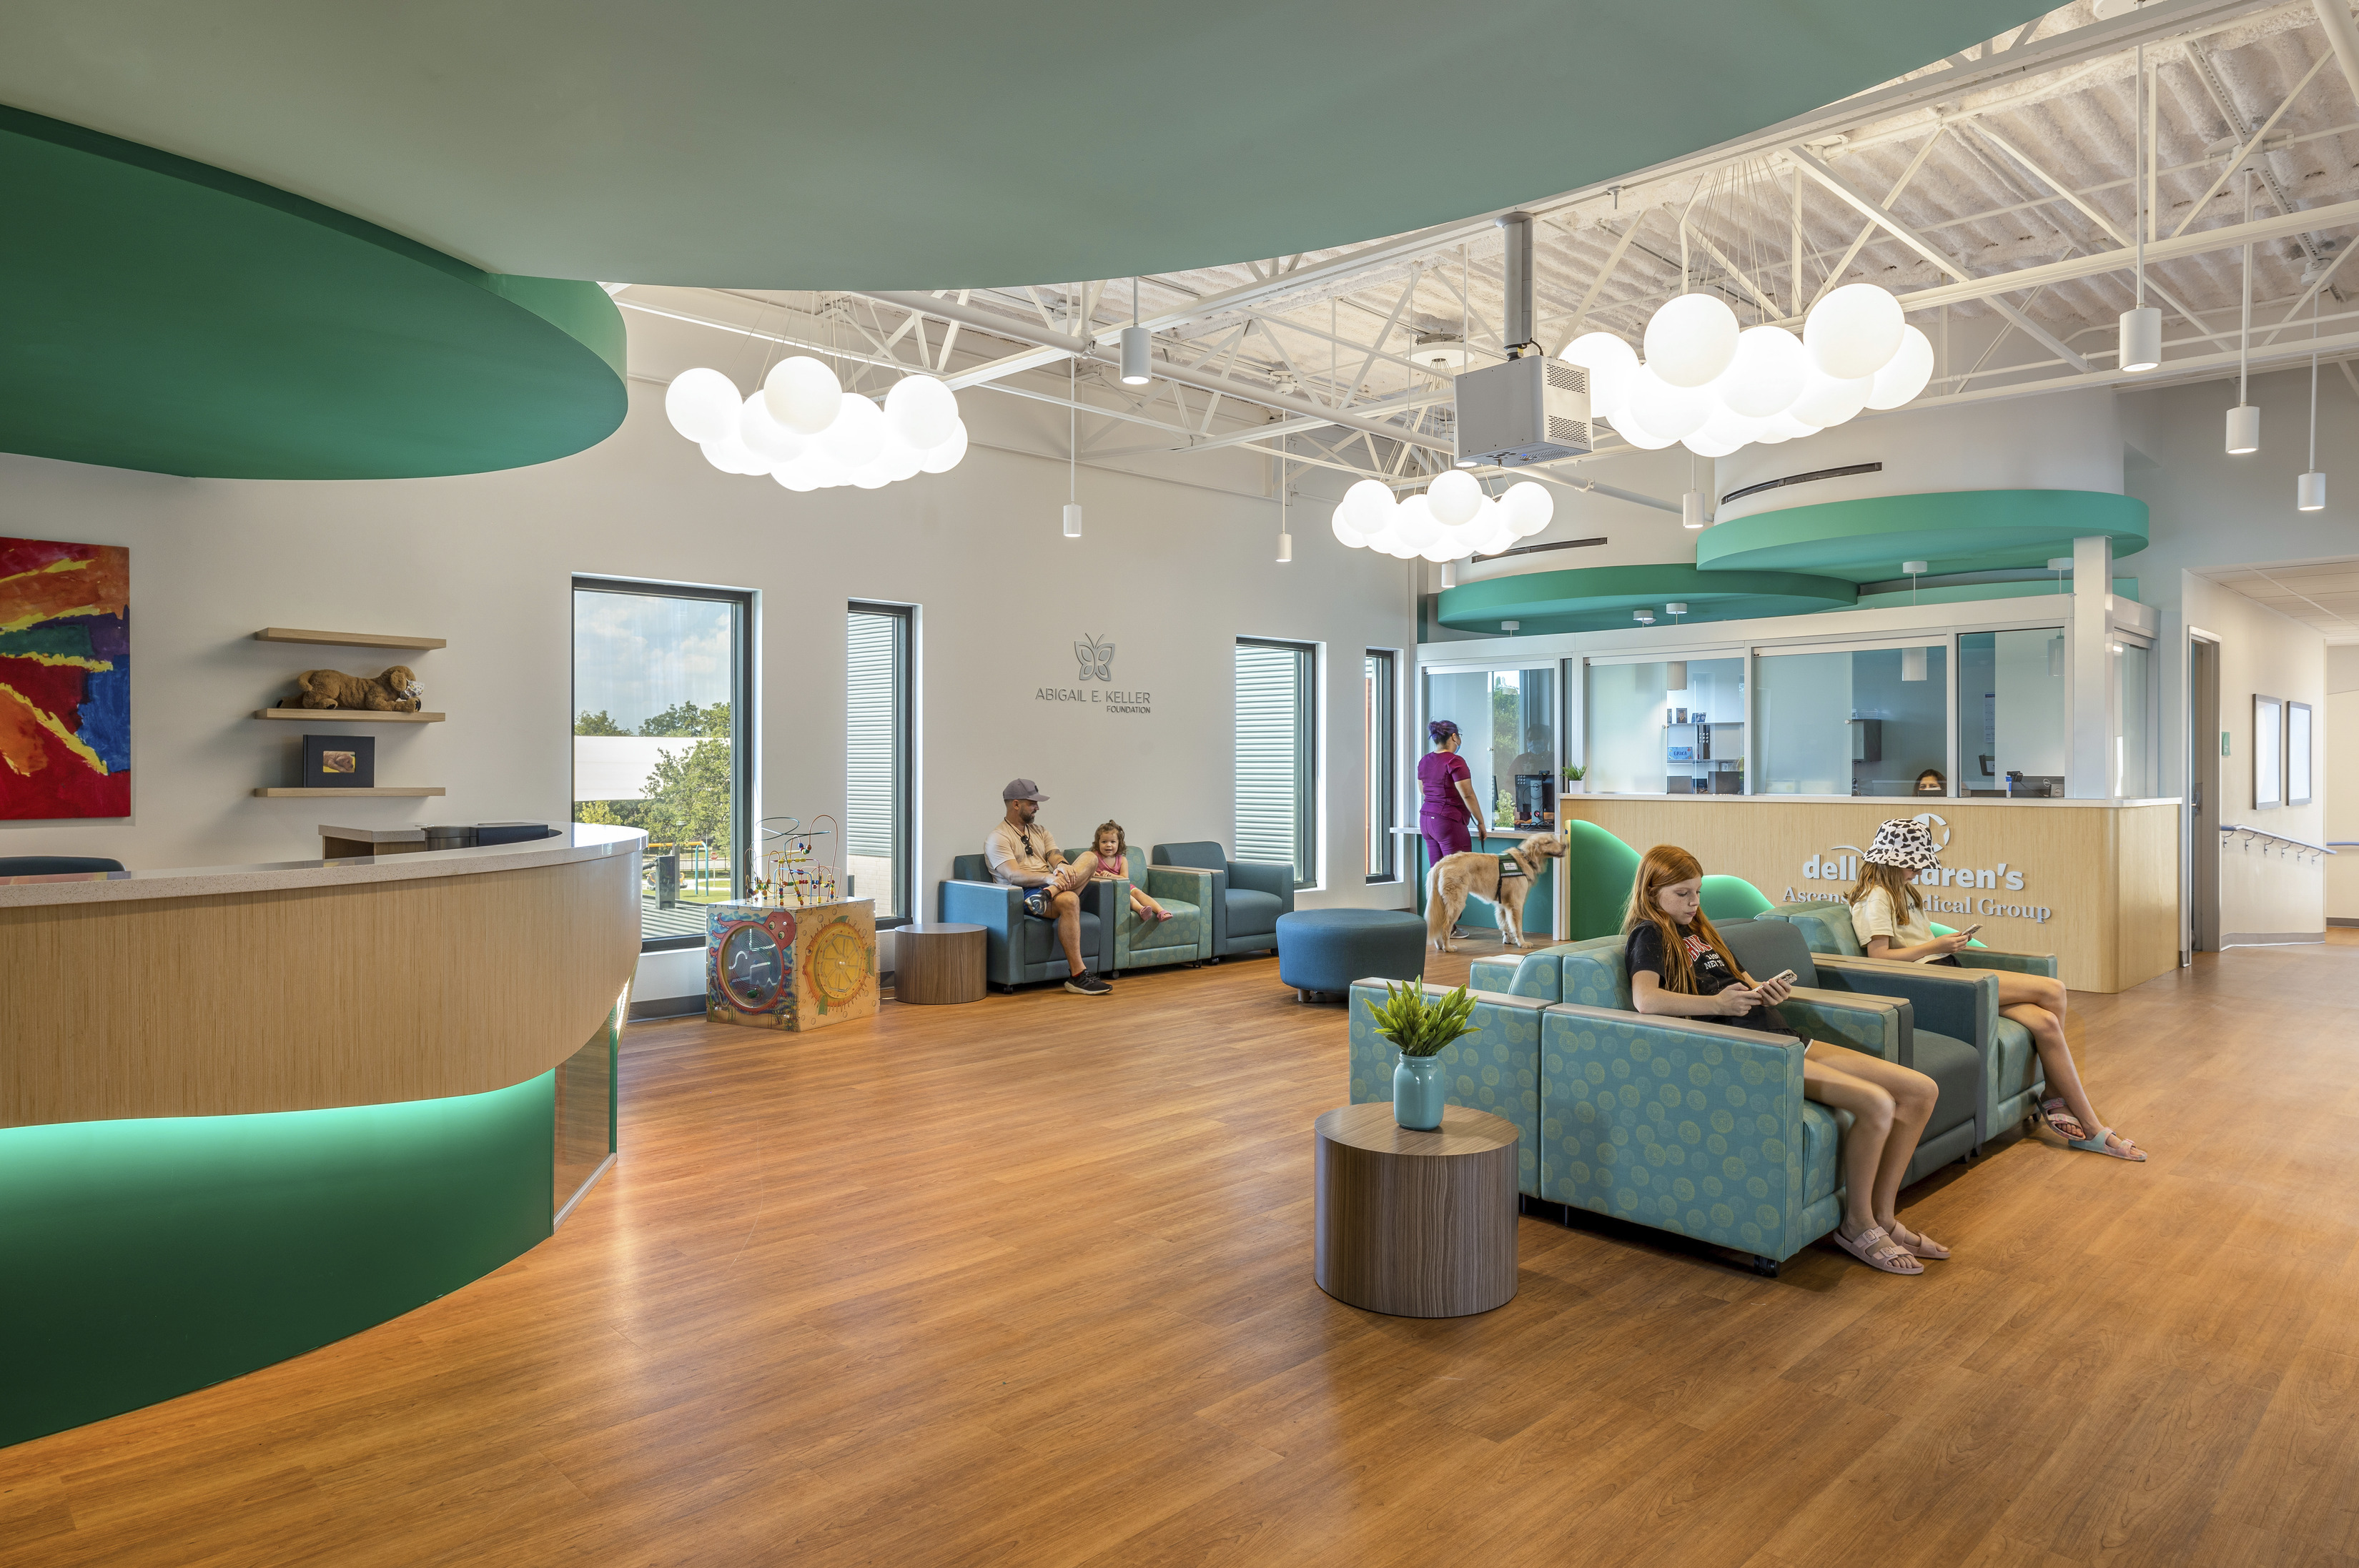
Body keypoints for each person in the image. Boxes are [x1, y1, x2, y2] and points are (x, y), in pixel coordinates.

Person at [1625, 843, 1946, 1276]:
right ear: (1652, 891)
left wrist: (1766, 991)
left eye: (1698, 892)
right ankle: (1857, 1224)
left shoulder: (1701, 931)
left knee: (1921, 1090)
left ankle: (1885, 1217)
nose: (1694, 902)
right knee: (1878, 1102)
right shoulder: (1649, 933)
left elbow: (1741, 982)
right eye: (1683, 893)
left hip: (1781, 1034)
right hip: (1754, 1053)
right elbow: (1645, 1000)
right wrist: (1720, 1006)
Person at [1849, 818, 2145, 1161]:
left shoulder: (1902, 891)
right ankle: (2070, 1108)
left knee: (2046, 1023)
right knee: (2054, 991)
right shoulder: (1875, 897)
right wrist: (1934, 946)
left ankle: (2075, 1113)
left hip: (1945, 971)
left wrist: (1943, 945)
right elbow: (1880, 958)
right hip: (1933, 983)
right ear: (1893, 859)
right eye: (1914, 862)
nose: (1918, 869)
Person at [985, 778, 1109, 996]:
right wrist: (1049, 879)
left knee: (1090, 857)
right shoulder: (998, 838)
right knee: (1071, 899)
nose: (1037, 807)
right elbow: (1013, 875)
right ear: (1016, 804)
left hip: (1048, 887)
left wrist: (1062, 867)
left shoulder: (1040, 831)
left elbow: (1054, 855)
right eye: (1032, 803)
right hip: (1022, 894)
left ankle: (1048, 895)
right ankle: (1078, 976)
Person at [1087, 821, 1168, 923]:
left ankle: (1161, 911)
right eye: (1104, 842)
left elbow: (1125, 878)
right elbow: (1087, 873)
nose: (1108, 845)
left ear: (1119, 843)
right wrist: (1093, 874)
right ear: (1098, 843)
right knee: (1125, 895)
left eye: (1113, 842)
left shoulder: (1122, 860)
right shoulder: (1094, 857)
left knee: (1138, 893)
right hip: (1108, 890)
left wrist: (1111, 875)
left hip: (1123, 885)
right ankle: (1140, 910)